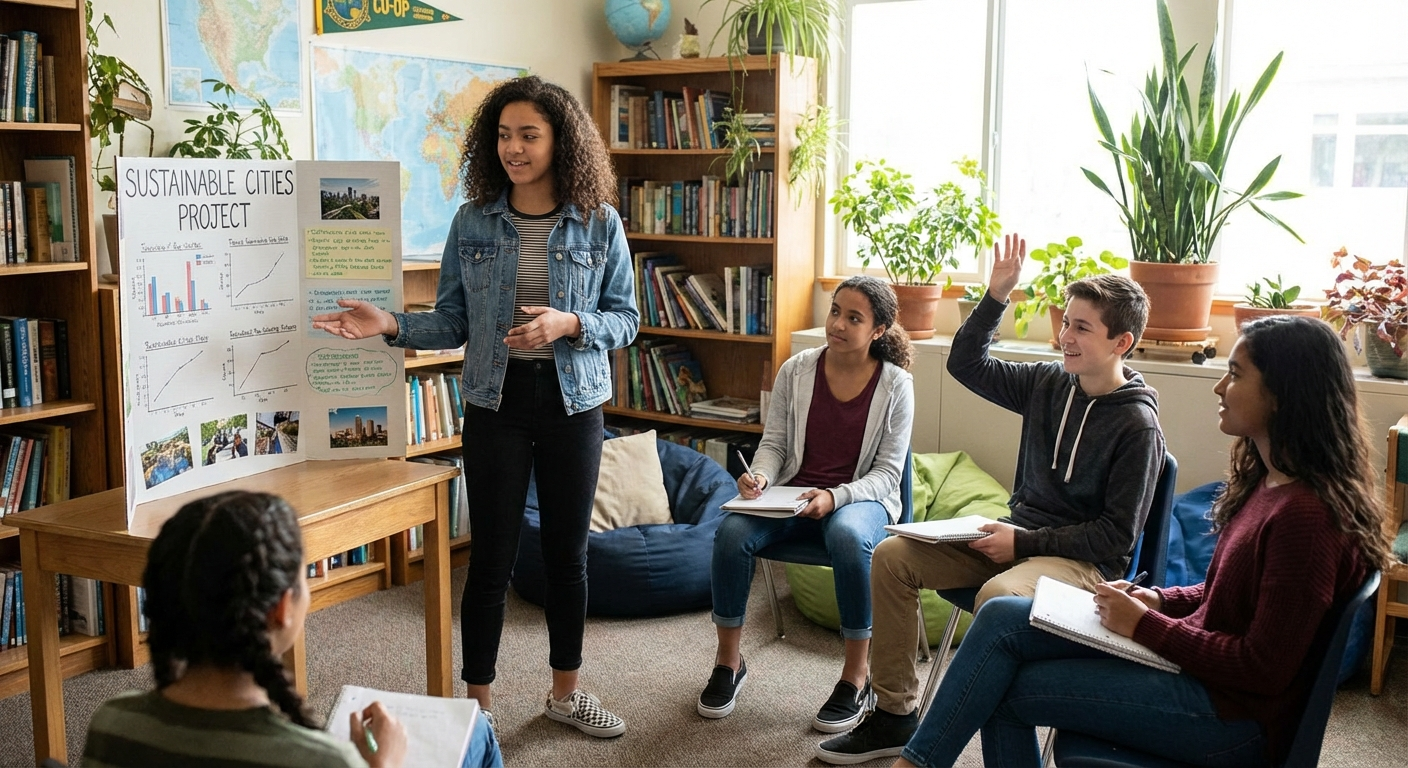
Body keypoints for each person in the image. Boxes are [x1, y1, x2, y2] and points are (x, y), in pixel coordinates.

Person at [890, 315, 1391, 767]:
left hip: (1230, 716)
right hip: (1202, 675)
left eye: (1236, 374)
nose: (1219, 387)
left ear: (1285, 394)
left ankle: (915, 764)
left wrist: (1148, 626)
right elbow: (1228, 598)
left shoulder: (1307, 519)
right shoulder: (1271, 481)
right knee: (1001, 619)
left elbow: (1262, 668)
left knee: (1002, 689)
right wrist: (1159, 599)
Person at [311, 75, 637, 738]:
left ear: (560, 140)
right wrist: (392, 325)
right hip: (496, 401)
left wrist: (569, 324)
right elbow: (454, 321)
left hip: (575, 405)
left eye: (529, 134)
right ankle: (479, 711)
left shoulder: (599, 219)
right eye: (504, 134)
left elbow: (626, 317)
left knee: (568, 558)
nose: (513, 147)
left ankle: (565, 696)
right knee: (489, 556)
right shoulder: (475, 218)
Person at [817, 234, 1166, 763]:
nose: (1064, 336)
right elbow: (966, 364)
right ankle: (893, 715)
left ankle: (964, 736)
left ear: (1123, 342)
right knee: (891, 557)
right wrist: (997, 296)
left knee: (998, 597)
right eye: (1066, 321)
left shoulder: (1138, 426)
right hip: (1017, 539)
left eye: (1081, 327)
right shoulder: (1050, 383)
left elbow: (1116, 536)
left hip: (1082, 564)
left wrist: (1023, 543)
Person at [80, 490, 504, 768]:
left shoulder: (111, 722)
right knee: (478, 732)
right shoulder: (324, 761)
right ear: (283, 608)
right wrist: (382, 764)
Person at [699, 275, 915, 733]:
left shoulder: (897, 385)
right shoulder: (796, 370)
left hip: (860, 499)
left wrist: (835, 496)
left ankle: (856, 677)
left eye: (853, 318)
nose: (837, 323)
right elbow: (775, 445)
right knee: (733, 531)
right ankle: (728, 663)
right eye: (835, 311)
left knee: (848, 533)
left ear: (878, 330)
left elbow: (886, 476)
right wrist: (759, 476)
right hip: (792, 495)